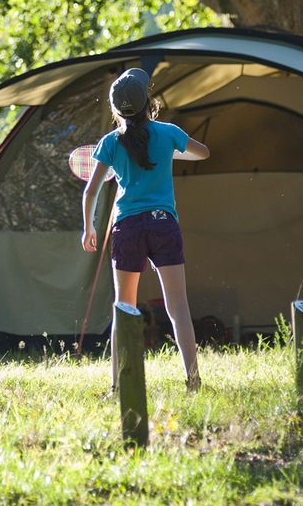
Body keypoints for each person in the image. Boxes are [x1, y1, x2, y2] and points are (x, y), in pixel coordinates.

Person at [81, 67, 210, 392]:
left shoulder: (110, 143)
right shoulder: (168, 133)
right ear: (148, 101)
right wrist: (173, 149)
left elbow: (91, 192)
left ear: (115, 109)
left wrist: (88, 228)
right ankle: (193, 381)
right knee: (178, 306)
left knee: (124, 308)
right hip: (163, 224)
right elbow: (203, 153)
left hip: (127, 226)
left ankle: (117, 387)